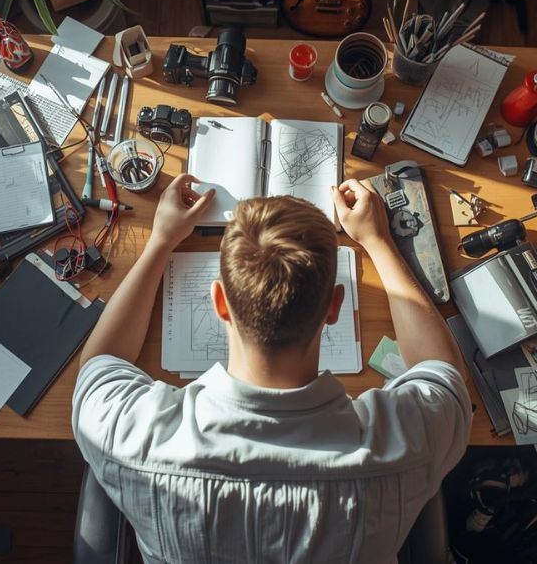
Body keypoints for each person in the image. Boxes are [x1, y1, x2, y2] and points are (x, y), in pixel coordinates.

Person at [73, 173, 472, 563]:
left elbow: (98, 365)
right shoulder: (407, 444)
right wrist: (378, 241)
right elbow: (443, 371)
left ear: (219, 303)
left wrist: (161, 241)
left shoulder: (135, 438)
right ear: (334, 306)